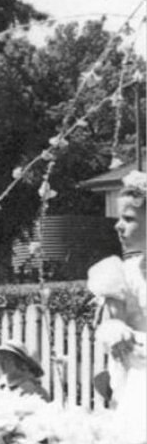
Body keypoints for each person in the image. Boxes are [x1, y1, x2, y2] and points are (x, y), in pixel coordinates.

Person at [87, 171, 146, 429]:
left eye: (129, 218)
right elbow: (114, 322)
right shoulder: (123, 273)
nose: (118, 225)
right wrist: (117, 331)